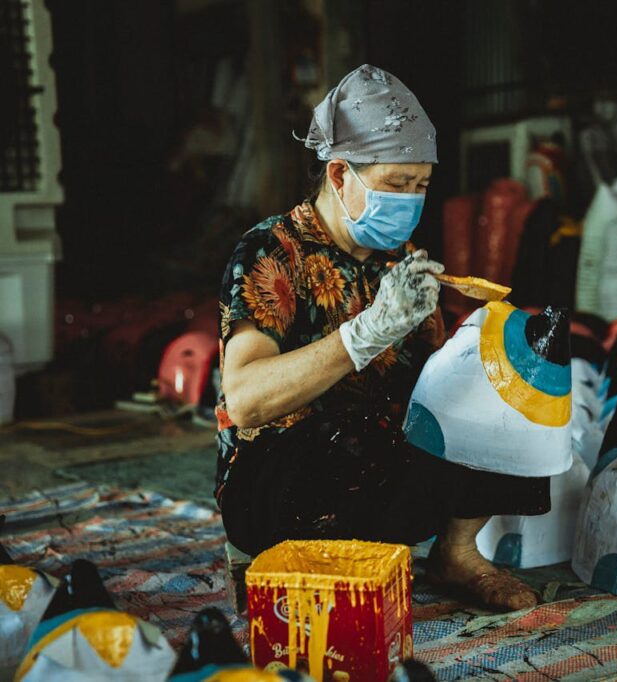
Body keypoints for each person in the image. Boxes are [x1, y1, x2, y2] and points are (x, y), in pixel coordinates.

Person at [214, 64, 548, 611]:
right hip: (281, 484)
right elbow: (247, 401)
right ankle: (303, 564)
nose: (410, 201)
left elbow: (431, 387)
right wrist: (368, 332)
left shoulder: (403, 259)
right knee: (345, 439)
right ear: (340, 174)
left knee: (508, 395)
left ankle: (457, 553)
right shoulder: (271, 252)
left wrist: (481, 358)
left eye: (421, 187)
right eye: (396, 185)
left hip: (378, 465)